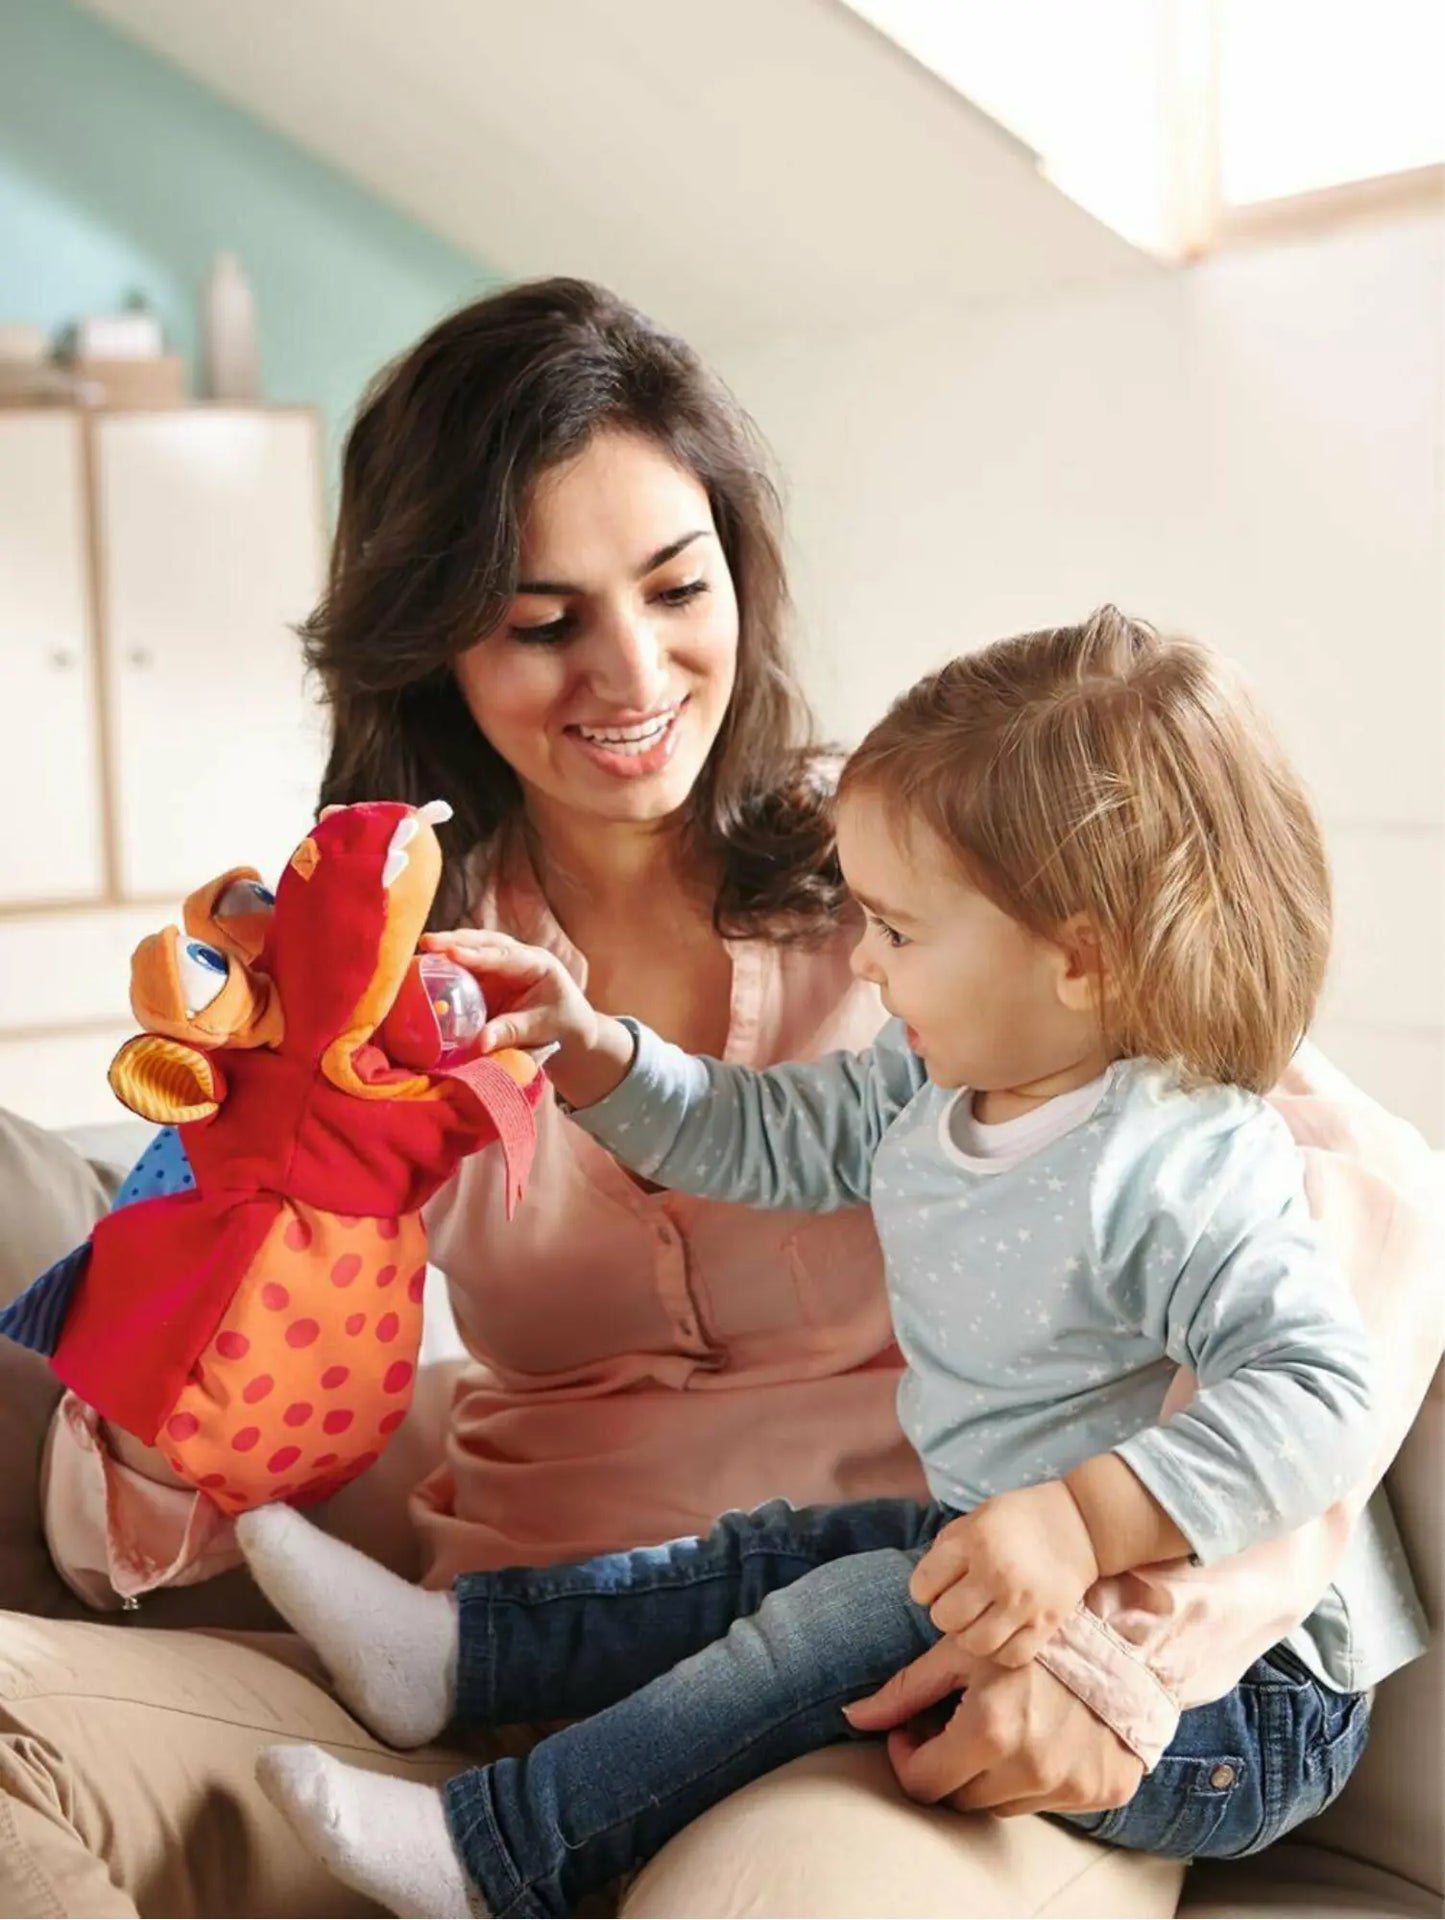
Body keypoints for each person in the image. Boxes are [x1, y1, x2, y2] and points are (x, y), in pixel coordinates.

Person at [0, 281, 1433, 1920]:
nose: (630, 672)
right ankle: (471, 1709)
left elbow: (1364, 1231)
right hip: (509, 1672)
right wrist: (268, 1181)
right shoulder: (374, 960)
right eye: (540, 621)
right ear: (432, 640)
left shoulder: (949, 885)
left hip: (924, 1696)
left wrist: (1119, 1647)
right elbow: (119, 1530)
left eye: (677, 588)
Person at [235, 612, 1389, 1918]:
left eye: (897, 929)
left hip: (1239, 1706)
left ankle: (498, 1852)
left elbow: (1320, 1396)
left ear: (1077, 957)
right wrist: (591, 1050)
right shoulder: (938, 1082)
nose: (861, 959)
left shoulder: (1179, 1162)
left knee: (856, 1611)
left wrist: (1081, 1518)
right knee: (769, 1560)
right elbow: (766, 1135)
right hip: (1006, 1567)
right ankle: (458, 1657)